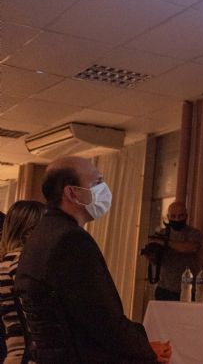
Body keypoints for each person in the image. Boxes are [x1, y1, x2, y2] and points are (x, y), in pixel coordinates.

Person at [13, 156, 171, 363]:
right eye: (97, 183)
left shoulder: (43, 233)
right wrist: (146, 350)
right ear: (72, 192)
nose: (104, 189)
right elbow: (101, 319)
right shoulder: (70, 239)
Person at [0, 200, 45, 364]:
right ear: (29, 232)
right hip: (27, 355)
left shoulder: (5, 262)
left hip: (14, 351)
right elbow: (33, 315)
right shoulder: (20, 264)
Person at [150, 201, 202, 301]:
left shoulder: (194, 233)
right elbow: (156, 259)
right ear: (168, 217)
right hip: (165, 288)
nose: (177, 219)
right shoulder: (162, 233)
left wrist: (165, 242)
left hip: (188, 288)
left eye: (180, 216)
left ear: (186, 216)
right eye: (173, 216)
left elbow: (189, 248)